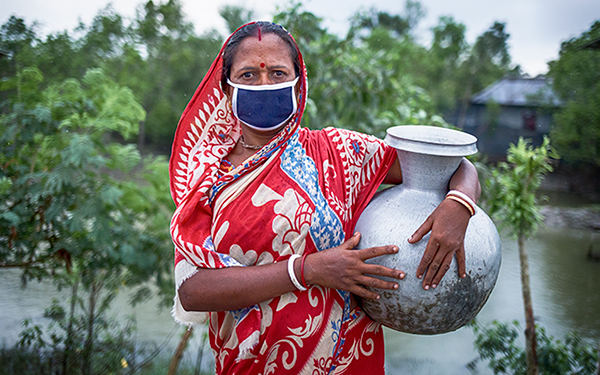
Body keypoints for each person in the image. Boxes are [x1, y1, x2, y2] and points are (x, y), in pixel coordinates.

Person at [169, 21, 481, 375]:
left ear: (298, 83)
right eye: (248, 76)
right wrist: (309, 269)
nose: (264, 85)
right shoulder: (207, 176)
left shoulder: (338, 153)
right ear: (227, 89)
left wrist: (460, 204)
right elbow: (193, 291)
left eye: (277, 73)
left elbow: (451, 164)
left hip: (350, 362)